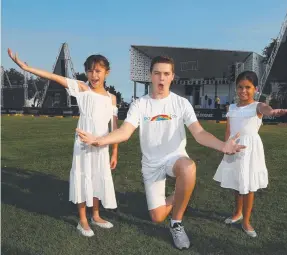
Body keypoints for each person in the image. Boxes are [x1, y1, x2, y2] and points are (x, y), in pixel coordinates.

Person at [76, 56, 245, 250]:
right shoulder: (140, 105)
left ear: (172, 77)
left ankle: (176, 224)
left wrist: (223, 146)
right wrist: (99, 140)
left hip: (174, 159)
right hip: (151, 164)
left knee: (189, 167)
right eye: (157, 73)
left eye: (166, 74)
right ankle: (181, 193)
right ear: (151, 76)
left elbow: (199, 133)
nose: (161, 78)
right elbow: (124, 131)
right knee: (157, 217)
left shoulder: (181, 103)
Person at [8, 48, 119, 237]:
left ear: (106, 72)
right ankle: (83, 220)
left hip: (102, 146)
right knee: (83, 177)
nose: (94, 75)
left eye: (98, 71)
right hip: (84, 143)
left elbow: (115, 129)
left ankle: (96, 215)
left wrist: (115, 152)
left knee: (98, 177)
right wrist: (26, 68)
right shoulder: (83, 88)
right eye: (90, 71)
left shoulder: (112, 98)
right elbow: (53, 77)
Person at [213, 71, 287, 238]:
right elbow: (228, 130)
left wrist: (272, 112)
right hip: (234, 148)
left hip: (250, 150)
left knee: (249, 185)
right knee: (237, 182)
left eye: (248, 87)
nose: (243, 91)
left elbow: (266, 109)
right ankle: (237, 212)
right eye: (240, 87)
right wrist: (225, 147)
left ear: (256, 88)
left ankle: (246, 221)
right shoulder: (231, 108)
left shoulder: (257, 106)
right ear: (236, 88)